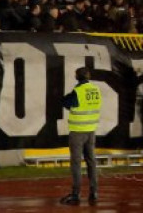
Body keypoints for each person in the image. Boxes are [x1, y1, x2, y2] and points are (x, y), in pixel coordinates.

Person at [60, 67, 102, 205]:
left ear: (78, 76)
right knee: (91, 161)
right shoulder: (95, 89)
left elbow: (65, 102)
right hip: (91, 131)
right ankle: (94, 191)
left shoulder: (78, 91)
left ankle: (76, 193)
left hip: (78, 131)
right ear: (88, 76)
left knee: (76, 163)